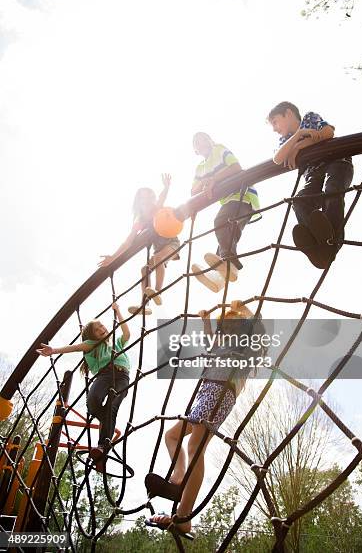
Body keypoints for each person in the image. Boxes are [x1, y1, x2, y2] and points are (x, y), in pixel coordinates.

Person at [145, 300, 265, 535]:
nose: (224, 328)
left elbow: (257, 327)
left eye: (229, 324)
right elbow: (212, 341)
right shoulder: (224, 343)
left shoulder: (244, 344)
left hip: (222, 390)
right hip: (206, 391)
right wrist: (205, 322)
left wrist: (242, 309)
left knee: (195, 444)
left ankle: (183, 516)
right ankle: (178, 478)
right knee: (172, 436)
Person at [36, 302, 130, 472]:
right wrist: (54, 350)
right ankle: (106, 424)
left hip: (122, 376)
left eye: (102, 325)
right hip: (104, 375)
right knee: (93, 402)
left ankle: (102, 448)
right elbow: (75, 347)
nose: (102, 328)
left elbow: (127, 332)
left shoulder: (116, 342)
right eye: (97, 328)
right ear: (92, 335)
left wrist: (119, 311)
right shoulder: (92, 345)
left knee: (112, 406)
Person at [267, 101, 354, 268]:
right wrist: (299, 136)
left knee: (332, 192)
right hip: (314, 172)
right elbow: (277, 159)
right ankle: (320, 245)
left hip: (336, 161)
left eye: (275, 121)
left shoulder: (309, 118)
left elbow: (328, 132)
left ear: (288, 113)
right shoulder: (286, 140)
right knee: (299, 201)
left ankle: (332, 241)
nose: (274, 128)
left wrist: (301, 146)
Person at [99, 174, 180, 315]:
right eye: (144, 199)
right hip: (158, 249)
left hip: (172, 243)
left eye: (150, 197)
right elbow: (128, 241)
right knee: (145, 270)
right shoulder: (140, 221)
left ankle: (158, 292)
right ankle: (144, 305)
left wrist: (166, 187)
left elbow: (162, 197)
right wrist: (113, 257)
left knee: (158, 258)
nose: (148, 201)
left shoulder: (156, 209)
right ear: (139, 203)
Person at [191, 132, 260, 292]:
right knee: (227, 234)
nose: (202, 143)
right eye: (197, 142)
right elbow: (193, 191)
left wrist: (214, 179)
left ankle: (230, 263)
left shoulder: (219, 150)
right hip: (229, 200)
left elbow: (236, 167)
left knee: (221, 223)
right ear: (195, 150)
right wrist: (205, 181)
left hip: (243, 196)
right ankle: (220, 278)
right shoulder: (200, 168)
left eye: (204, 139)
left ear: (211, 140)